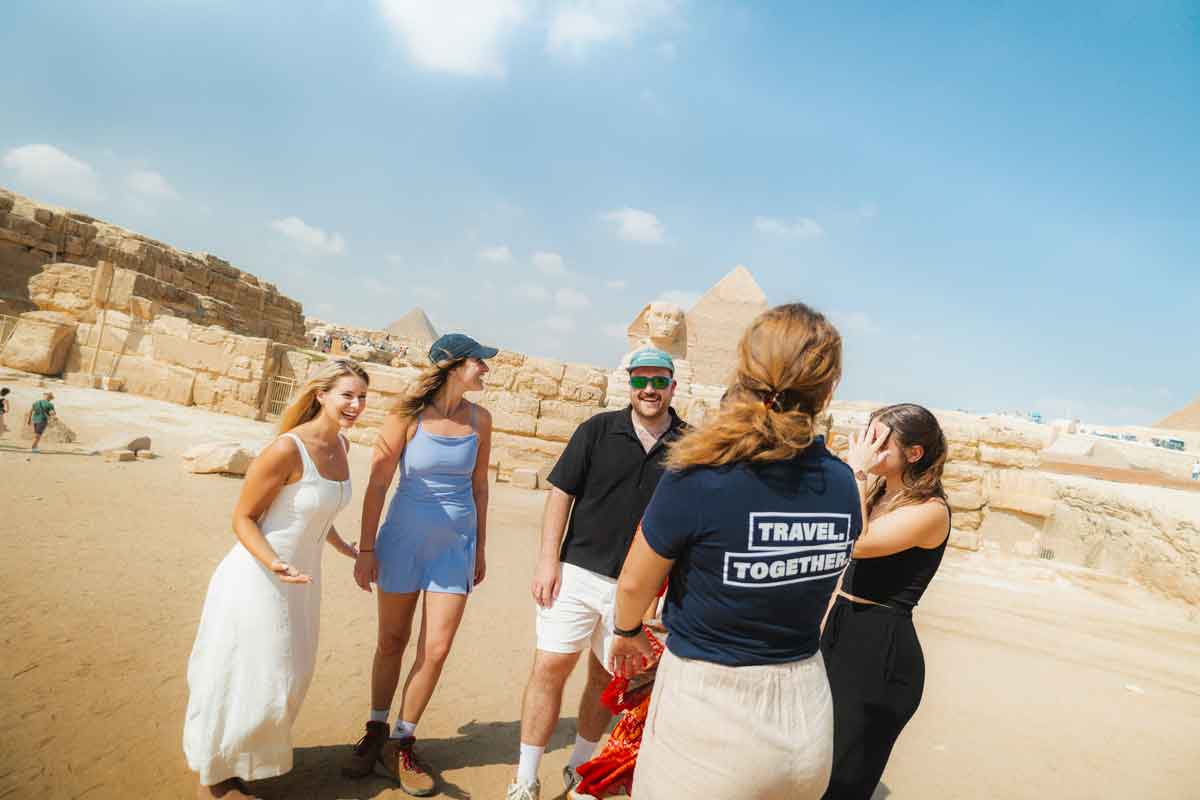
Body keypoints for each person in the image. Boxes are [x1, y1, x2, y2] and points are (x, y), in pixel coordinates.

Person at [608, 302, 856, 800]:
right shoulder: (843, 483)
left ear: (744, 372)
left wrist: (627, 631)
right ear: (828, 390)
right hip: (807, 718)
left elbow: (635, 583)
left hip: (712, 721)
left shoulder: (700, 475)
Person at [506, 346, 687, 800]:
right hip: (576, 573)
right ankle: (525, 779)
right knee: (549, 667)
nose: (649, 390)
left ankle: (578, 772)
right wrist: (548, 562)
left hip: (639, 589)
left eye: (658, 381)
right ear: (630, 383)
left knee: (606, 680)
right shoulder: (597, 430)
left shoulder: (690, 444)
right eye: (641, 381)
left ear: (673, 386)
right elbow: (560, 495)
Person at [183, 358, 369, 799]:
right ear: (320, 395)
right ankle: (216, 773)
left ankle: (241, 759)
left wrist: (343, 547)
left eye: (362, 396)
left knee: (290, 675)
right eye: (347, 394)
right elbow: (243, 518)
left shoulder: (342, 446)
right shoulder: (287, 449)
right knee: (257, 673)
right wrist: (273, 563)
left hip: (302, 583)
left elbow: (315, 510)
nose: (356, 404)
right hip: (258, 577)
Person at [343, 333, 496, 797]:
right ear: (453, 367)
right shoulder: (405, 416)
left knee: (436, 649)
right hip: (403, 542)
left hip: (455, 547)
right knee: (392, 640)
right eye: (479, 363)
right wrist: (366, 550)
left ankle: (402, 741)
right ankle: (375, 729)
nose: (486, 370)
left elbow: (480, 487)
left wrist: (481, 548)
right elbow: (377, 485)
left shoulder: (481, 419)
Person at [820, 403, 952, 799]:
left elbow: (856, 543)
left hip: (880, 650)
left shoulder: (930, 511)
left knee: (844, 772)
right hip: (843, 628)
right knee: (815, 758)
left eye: (879, 441)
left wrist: (857, 471)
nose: (868, 447)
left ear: (914, 454)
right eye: (867, 435)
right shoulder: (878, 495)